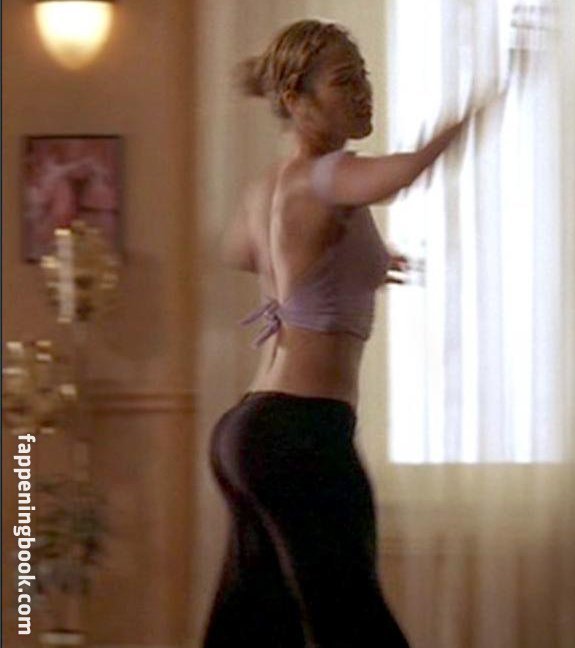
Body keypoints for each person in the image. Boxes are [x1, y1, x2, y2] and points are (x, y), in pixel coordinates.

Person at [203, 19, 499, 647]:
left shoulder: (269, 185)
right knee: (354, 622)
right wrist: (483, 101)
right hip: (301, 433)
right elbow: (408, 171)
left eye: (363, 75)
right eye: (344, 80)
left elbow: (241, 251)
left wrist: (354, 266)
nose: (364, 90)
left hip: (248, 431)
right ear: (296, 99)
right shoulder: (327, 175)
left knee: (256, 628)